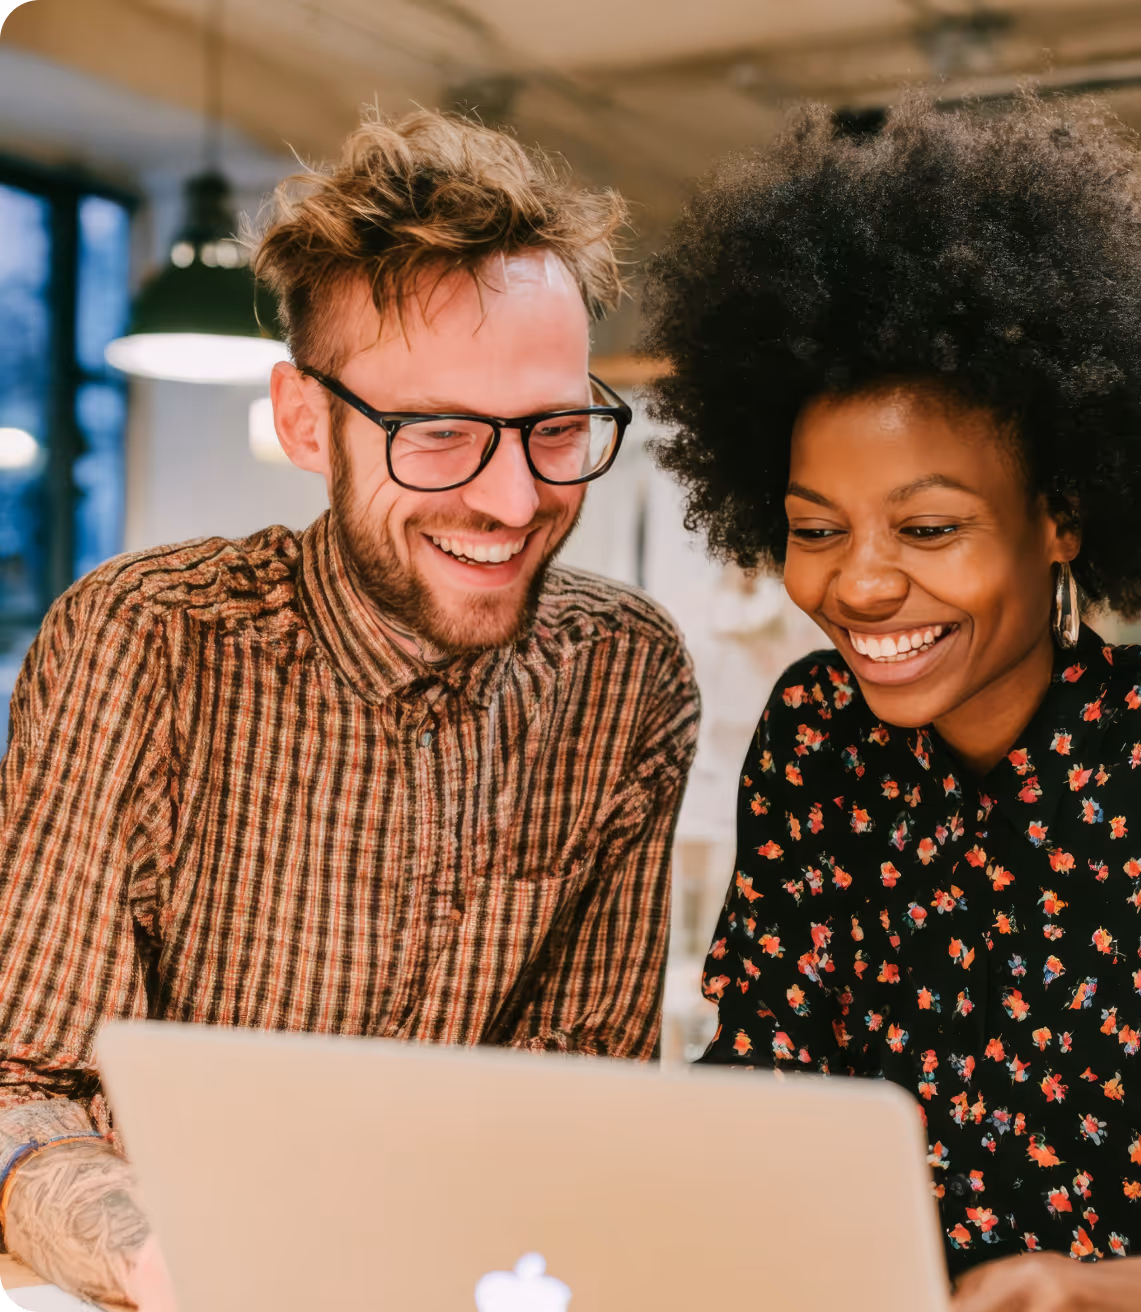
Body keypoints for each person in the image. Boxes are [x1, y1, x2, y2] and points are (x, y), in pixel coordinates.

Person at [0, 109, 698, 1309]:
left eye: (554, 429)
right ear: (305, 420)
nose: (513, 497)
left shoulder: (626, 678)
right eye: (436, 434)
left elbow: (584, 1094)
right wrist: (160, 1258)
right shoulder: (146, 642)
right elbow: (20, 1079)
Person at [641, 95, 1141, 1311]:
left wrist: (1098, 1294)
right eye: (812, 529)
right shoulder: (818, 738)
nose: (861, 582)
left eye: (931, 527)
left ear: (1061, 516)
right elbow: (763, 1094)